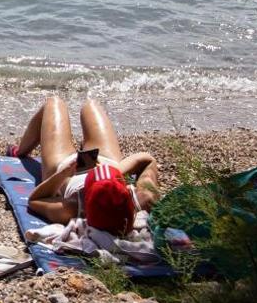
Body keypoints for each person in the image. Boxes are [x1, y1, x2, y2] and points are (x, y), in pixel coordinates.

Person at [12, 95, 159, 232]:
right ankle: (90, 151)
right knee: (91, 105)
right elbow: (147, 159)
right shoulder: (144, 199)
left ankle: (19, 151)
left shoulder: (71, 208)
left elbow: (34, 200)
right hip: (107, 162)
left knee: (54, 103)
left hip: (66, 169)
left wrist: (63, 174)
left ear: (86, 199)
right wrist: (114, 172)